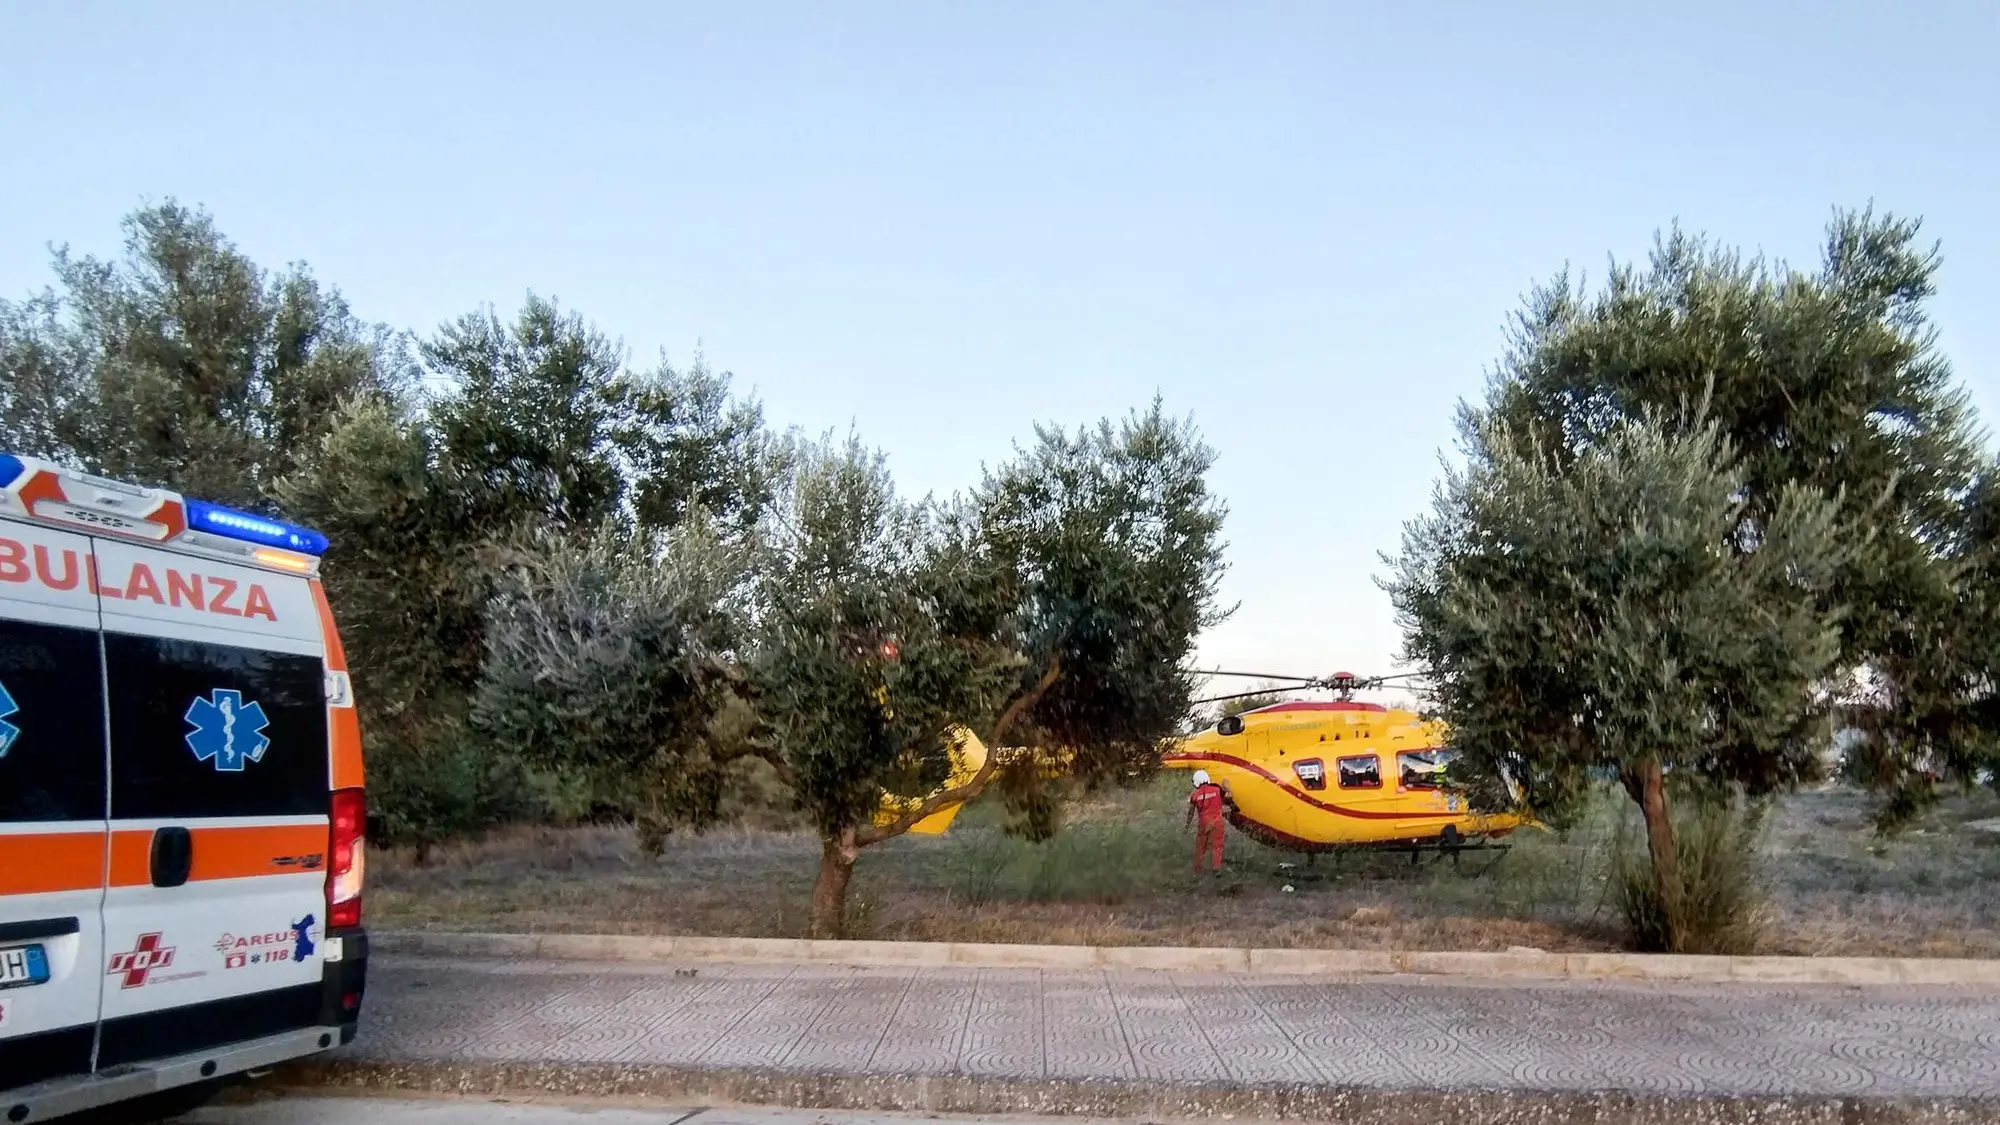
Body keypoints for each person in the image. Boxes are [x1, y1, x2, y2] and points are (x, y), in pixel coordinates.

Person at [1185, 769, 1230, 876]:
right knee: (1217, 846)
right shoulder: (1217, 789)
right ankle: (1216, 868)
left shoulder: (1195, 795)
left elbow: (1190, 812)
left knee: (1200, 846)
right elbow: (1228, 796)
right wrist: (1226, 786)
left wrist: (1187, 826)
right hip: (1217, 821)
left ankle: (1197, 869)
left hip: (1204, 823)